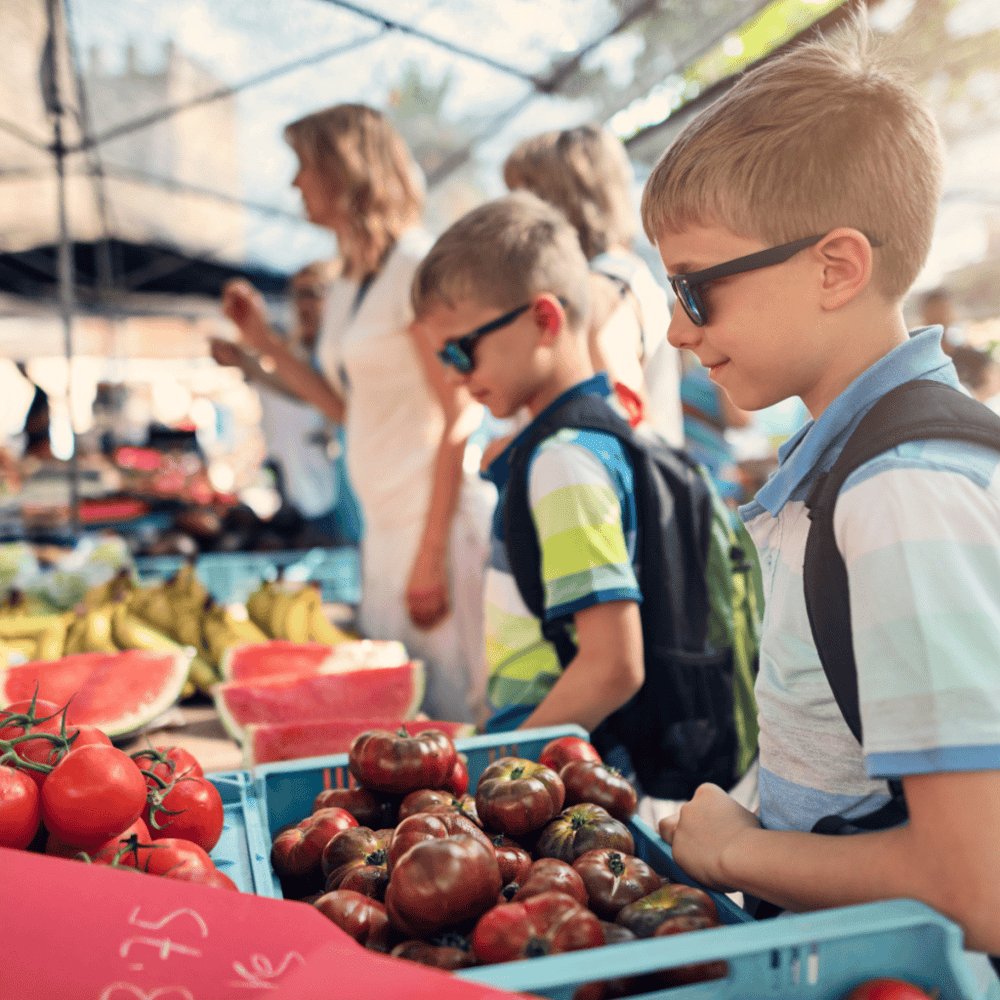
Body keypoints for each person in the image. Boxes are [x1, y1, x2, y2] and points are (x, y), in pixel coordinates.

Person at [641, 15, 1000, 956]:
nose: (677, 330)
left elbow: (977, 885)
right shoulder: (850, 471)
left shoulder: (899, 498)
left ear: (836, 268)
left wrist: (735, 853)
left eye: (693, 287)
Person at [219, 104, 494, 724]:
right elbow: (345, 408)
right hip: (384, 526)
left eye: (304, 165)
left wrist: (430, 553)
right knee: (408, 723)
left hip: (434, 525)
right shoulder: (349, 281)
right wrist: (262, 341)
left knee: (453, 710)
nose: (294, 182)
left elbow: (459, 412)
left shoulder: (415, 269)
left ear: (343, 172)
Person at [411, 191, 645, 741]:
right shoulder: (582, 437)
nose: (452, 376)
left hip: (555, 763)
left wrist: (508, 762)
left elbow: (613, 666)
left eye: (460, 351)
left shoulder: (563, 462)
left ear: (544, 320)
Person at [503, 124, 684, 446]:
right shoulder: (629, 272)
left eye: (522, 196)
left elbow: (623, 430)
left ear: (557, 200)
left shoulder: (596, 293)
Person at [210, 261, 363, 547]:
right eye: (298, 294)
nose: (304, 304)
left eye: (312, 293)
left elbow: (317, 396)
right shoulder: (292, 351)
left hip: (337, 499)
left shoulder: (339, 354)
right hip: (296, 493)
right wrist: (246, 357)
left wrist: (254, 354)